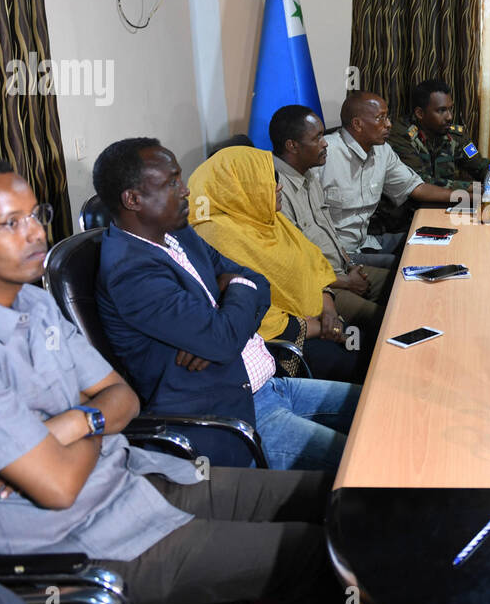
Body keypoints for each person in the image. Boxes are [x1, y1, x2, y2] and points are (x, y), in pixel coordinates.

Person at [0, 164, 344, 604]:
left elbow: (123, 399)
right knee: (318, 553)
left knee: (337, 495)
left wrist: (71, 425)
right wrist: (93, 421)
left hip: (138, 478)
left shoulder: (32, 303)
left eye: (35, 215)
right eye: (11, 223)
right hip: (83, 544)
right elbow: (59, 486)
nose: (35, 233)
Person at [92, 139, 359, 472]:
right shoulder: (130, 272)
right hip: (235, 413)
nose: (186, 190)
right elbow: (223, 335)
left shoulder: (178, 233)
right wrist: (225, 322)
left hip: (271, 384)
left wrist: (225, 320)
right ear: (133, 199)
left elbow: (257, 282)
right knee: (367, 459)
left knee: (379, 406)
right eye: (172, 182)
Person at [188, 145, 364, 383]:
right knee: (362, 363)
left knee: (367, 343)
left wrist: (330, 311)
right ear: (241, 187)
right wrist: (323, 328)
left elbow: (311, 266)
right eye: (268, 181)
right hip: (285, 344)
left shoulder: (266, 217)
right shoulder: (217, 235)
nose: (279, 187)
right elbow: (255, 312)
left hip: (323, 320)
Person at [269, 105, 391, 333]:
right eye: (317, 138)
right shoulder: (275, 190)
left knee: (406, 283)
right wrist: (345, 282)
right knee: (390, 320)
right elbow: (294, 267)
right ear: (292, 146)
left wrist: (351, 267)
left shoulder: (308, 173)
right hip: (321, 288)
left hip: (343, 270)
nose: (325, 143)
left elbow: (328, 232)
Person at [320, 91, 457, 268]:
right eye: (381, 118)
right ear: (357, 124)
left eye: (388, 117)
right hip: (337, 254)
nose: (389, 124)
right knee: (410, 264)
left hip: (366, 242)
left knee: (437, 241)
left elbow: (416, 188)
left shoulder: (382, 150)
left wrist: (471, 196)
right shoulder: (325, 154)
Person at [377, 78, 489, 234]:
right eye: (441, 110)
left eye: (450, 109)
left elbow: (480, 166)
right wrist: (473, 188)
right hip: (404, 220)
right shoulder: (401, 136)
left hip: (446, 209)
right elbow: (421, 182)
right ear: (420, 113)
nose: (449, 117)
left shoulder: (456, 135)